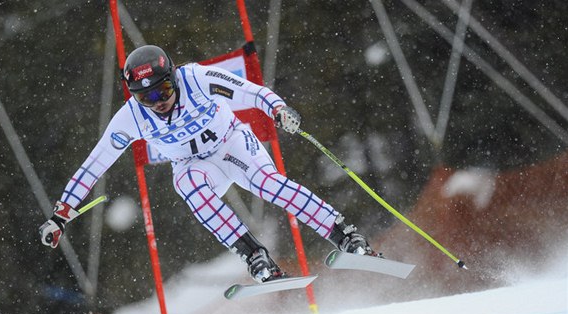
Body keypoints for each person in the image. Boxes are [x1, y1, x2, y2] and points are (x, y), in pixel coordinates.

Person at [38, 45, 378, 283]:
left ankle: (343, 234)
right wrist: (61, 213)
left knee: (267, 185)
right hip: (194, 164)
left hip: (232, 144)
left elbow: (250, 92)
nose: (158, 102)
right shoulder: (130, 118)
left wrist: (278, 109)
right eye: (146, 97)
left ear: (173, 77)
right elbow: (94, 165)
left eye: (163, 90)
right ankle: (253, 255)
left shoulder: (196, 79)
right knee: (185, 183)